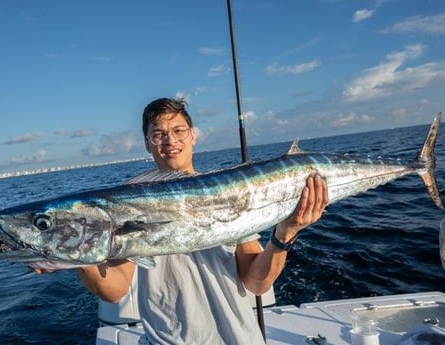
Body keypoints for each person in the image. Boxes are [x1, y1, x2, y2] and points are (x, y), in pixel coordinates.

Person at [76, 98, 328, 344]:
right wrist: (80, 254)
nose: (170, 140)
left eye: (178, 131)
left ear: (193, 135)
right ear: (147, 143)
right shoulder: (128, 201)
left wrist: (284, 234)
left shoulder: (230, 190)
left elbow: (256, 283)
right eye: (158, 134)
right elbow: (116, 289)